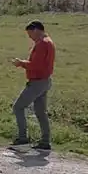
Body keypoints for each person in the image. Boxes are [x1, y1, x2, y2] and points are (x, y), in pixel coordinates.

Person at [10, 20, 56, 150]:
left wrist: (21, 63)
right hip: (45, 81)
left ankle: (23, 138)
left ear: (36, 30)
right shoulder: (49, 42)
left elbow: (36, 64)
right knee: (41, 112)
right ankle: (45, 141)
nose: (30, 37)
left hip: (37, 82)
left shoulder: (42, 44)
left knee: (18, 107)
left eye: (30, 34)